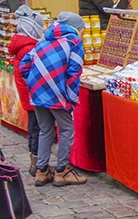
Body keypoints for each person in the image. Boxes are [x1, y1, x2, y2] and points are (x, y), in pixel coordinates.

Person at [20, 12, 87, 187]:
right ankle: (62, 171)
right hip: (57, 91)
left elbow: (24, 66)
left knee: (45, 130)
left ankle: (41, 171)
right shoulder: (74, 42)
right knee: (66, 130)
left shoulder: (43, 42)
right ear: (76, 28)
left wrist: (35, 83)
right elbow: (74, 71)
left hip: (37, 91)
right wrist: (71, 97)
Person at [9, 6, 44, 177]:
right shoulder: (29, 48)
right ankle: (36, 164)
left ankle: (34, 160)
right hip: (33, 95)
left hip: (28, 94)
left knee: (34, 128)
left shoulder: (23, 45)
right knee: (37, 128)